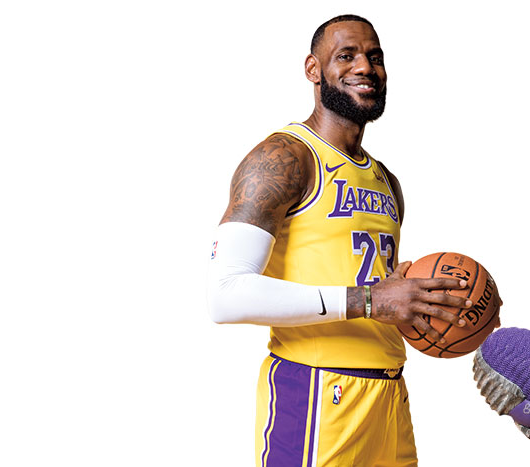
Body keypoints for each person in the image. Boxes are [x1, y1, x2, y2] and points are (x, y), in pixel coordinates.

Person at [207, 14, 472, 467]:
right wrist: (369, 300)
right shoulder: (283, 158)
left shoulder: (387, 181)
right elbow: (225, 295)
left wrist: (424, 303)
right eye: (346, 55)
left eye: (375, 57)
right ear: (313, 70)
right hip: (314, 391)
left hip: (389, 395)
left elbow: (376, 289)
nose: (365, 67)